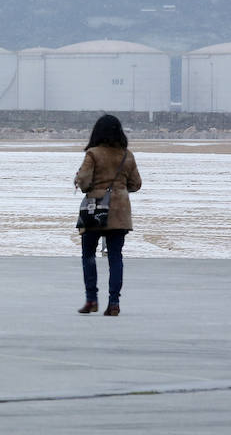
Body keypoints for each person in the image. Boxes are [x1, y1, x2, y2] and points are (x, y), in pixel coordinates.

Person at [73, 114, 142, 316]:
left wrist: (87, 184)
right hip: (120, 211)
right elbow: (136, 184)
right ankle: (114, 303)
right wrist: (119, 187)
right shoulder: (127, 155)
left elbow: (84, 181)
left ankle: (91, 299)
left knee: (88, 255)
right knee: (115, 257)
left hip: (95, 209)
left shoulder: (93, 154)